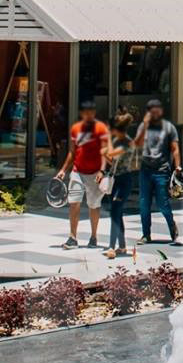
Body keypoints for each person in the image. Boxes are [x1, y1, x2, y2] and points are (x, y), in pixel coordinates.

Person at [54, 101, 109, 249]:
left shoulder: (101, 128)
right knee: (74, 202)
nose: (88, 115)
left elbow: (104, 152)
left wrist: (102, 170)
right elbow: (72, 152)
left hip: (95, 173)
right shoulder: (76, 128)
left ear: (94, 113)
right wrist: (63, 170)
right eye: (85, 112)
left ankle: (94, 237)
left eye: (91, 112)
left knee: (93, 205)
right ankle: (72, 237)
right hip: (77, 171)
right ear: (82, 114)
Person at [136, 98, 183, 245]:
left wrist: (178, 167)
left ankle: (172, 227)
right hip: (145, 170)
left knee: (163, 203)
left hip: (162, 171)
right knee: (144, 204)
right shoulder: (143, 126)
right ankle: (146, 234)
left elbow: (175, 149)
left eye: (157, 111)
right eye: (152, 111)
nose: (154, 114)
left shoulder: (169, 128)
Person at [105, 108, 139, 258]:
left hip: (125, 180)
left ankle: (111, 247)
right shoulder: (117, 141)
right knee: (116, 212)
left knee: (115, 211)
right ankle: (123, 246)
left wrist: (107, 141)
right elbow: (111, 160)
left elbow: (111, 154)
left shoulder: (127, 143)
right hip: (115, 180)